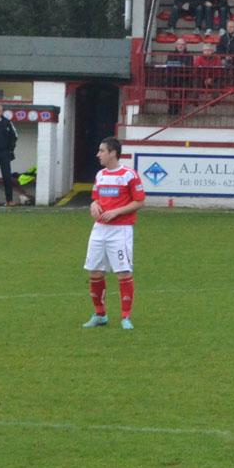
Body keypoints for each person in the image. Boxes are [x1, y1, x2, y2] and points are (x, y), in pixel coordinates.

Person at [82, 137, 146, 330]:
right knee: (94, 271)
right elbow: (96, 198)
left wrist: (116, 212)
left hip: (120, 230)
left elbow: (139, 201)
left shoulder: (129, 175)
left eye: (102, 151)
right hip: (99, 229)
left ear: (112, 153)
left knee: (123, 272)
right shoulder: (100, 175)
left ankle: (125, 317)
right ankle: (100, 314)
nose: (98, 154)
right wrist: (93, 205)